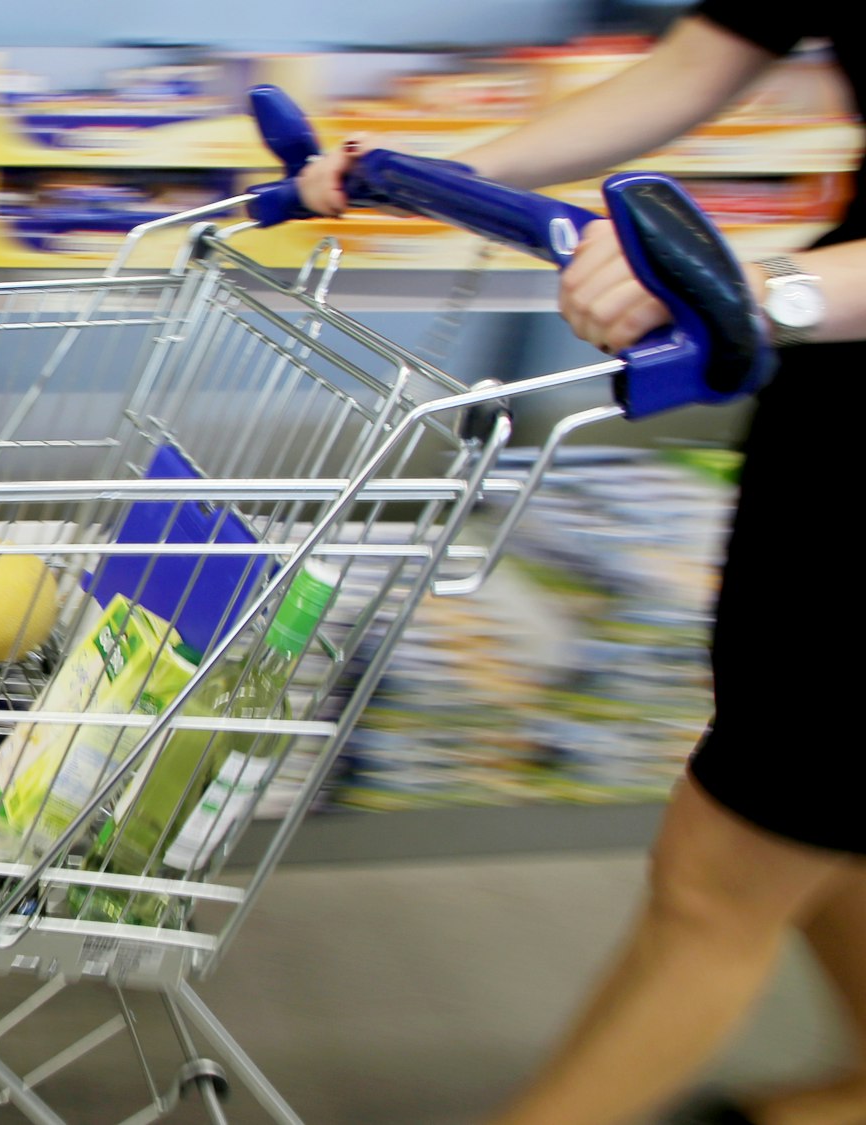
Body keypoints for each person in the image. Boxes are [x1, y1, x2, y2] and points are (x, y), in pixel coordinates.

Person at [299, 6, 865, 1124]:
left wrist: (752, 288)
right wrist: (433, 171)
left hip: (807, 311)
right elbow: (698, 63)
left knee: (721, 872)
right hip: (824, 368)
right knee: (814, 810)